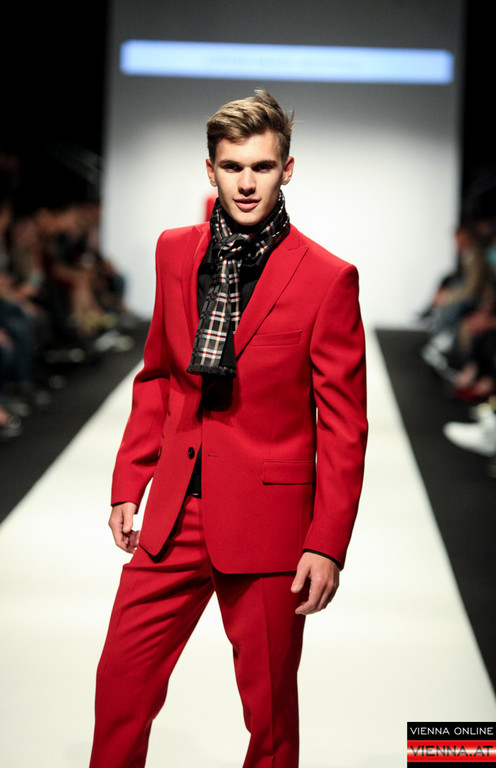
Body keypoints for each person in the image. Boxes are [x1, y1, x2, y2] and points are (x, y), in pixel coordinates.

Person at [89, 90, 368, 768]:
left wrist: (327, 543)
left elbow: (344, 427)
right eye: (233, 166)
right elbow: (160, 375)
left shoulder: (327, 279)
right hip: (175, 512)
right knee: (120, 685)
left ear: (287, 169)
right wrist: (130, 480)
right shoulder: (174, 252)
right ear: (210, 168)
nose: (247, 182)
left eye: (262, 167)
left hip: (270, 524)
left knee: (268, 719)